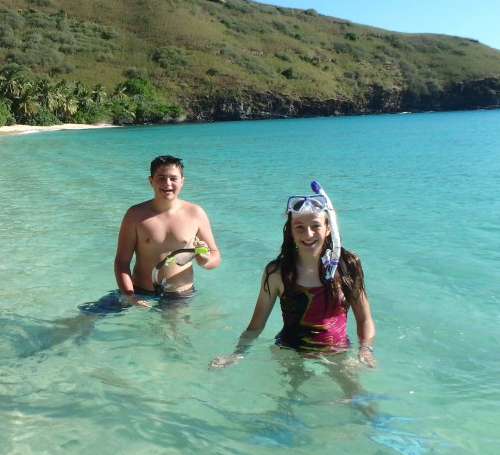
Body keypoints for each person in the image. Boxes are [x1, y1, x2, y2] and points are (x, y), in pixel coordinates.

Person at [210, 181, 374, 369]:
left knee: (355, 396)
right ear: (291, 232)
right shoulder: (277, 272)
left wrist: (366, 349)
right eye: (299, 227)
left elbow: (364, 319)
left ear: (328, 228)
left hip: (336, 352)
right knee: (290, 399)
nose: (308, 233)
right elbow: (256, 326)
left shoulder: (347, 266)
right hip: (289, 351)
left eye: (315, 226)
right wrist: (237, 354)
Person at [114, 155, 220, 307]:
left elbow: (215, 255)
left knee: (171, 331)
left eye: (173, 178)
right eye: (161, 178)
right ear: (151, 181)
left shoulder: (195, 213)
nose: (168, 184)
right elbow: (121, 262)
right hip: (138, 291)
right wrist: (129, 295)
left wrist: (205, 260)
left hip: (179, 295)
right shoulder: (135, 214)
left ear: (182, 181)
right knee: (85, 318)